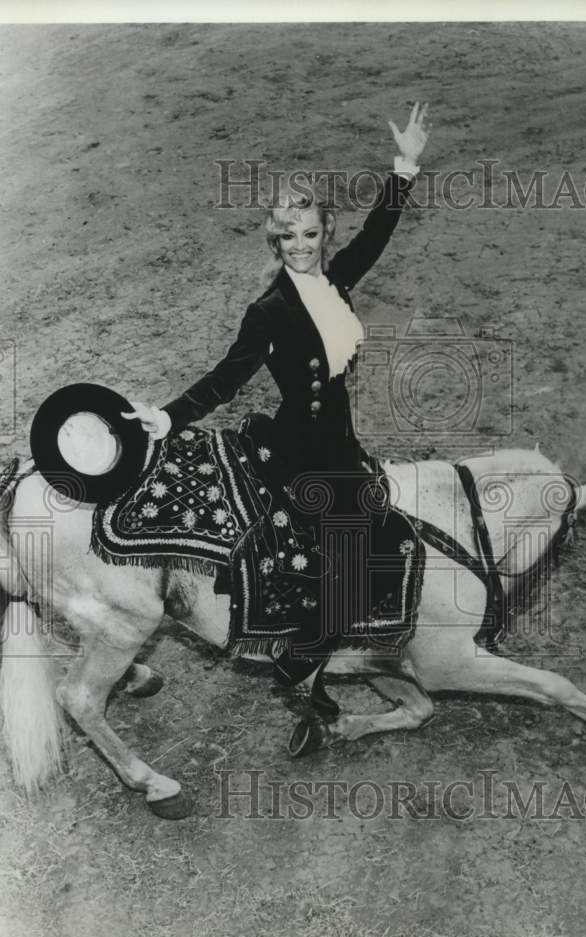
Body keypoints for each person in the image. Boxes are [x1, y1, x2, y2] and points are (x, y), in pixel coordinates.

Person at [123, 102, 430, 684]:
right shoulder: (268, 312)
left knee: (387, 535)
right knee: (372, 546)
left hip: (339, 444)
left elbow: (376, 234)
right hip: (302, 453)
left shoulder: (335, 280)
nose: (299, 246)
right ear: (275, 240)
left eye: (310, 234)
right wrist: (167, 417)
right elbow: (227, 376)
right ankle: (304, 653)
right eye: (287, 236)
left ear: (323, 234)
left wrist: (405, 167)